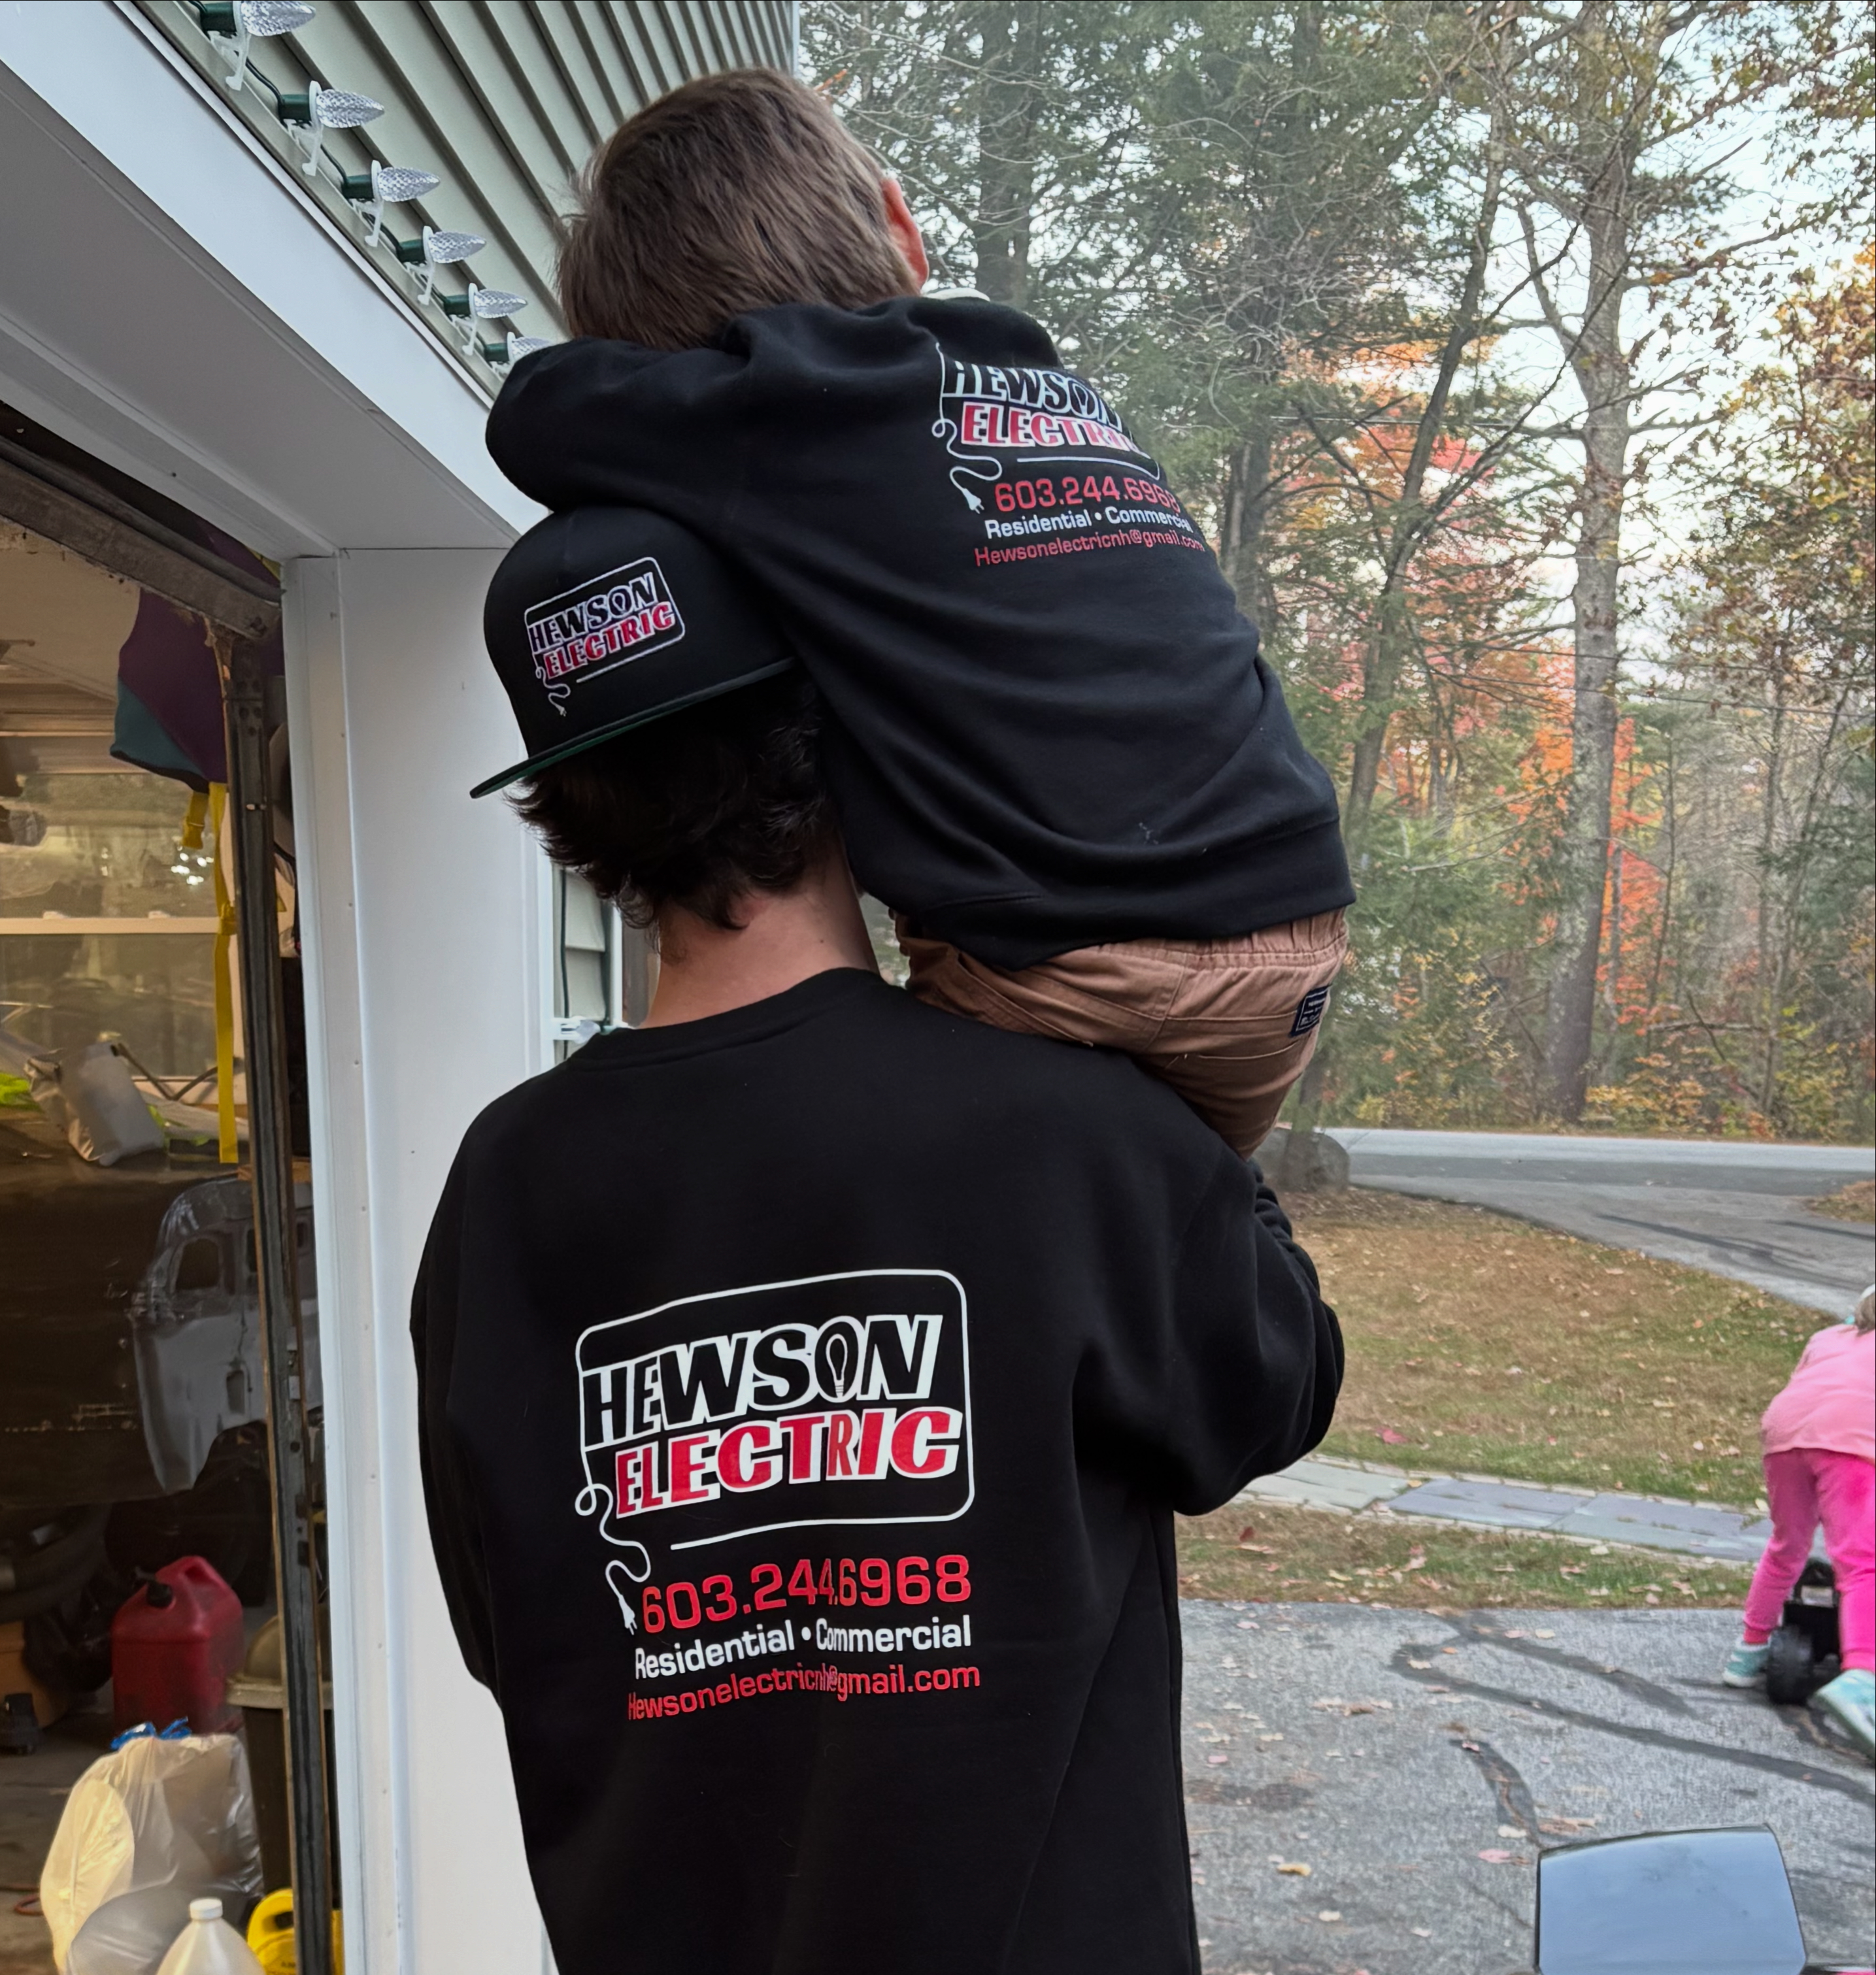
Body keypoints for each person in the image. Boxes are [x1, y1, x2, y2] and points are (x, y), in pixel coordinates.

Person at [413, 506, 1343, 1974]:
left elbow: (505, 1623)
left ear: (568, 815)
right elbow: (1271, 1391)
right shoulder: (1067, 1130)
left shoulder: (504, 1184)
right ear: (846, 742)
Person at [480, 69, 1354, 1159]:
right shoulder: (1042, 384)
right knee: (1160, 1230)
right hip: (1293, 934)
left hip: (1078, 965)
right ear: (902, 224)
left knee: (890, 1179)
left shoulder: (778, 415)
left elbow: (531, 417)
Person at [1722, 1284, 1873, 1757]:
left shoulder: (1827, 1338)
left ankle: (1747, 1653)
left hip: (1786, 1434)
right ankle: (1861, 1678)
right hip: (1850, 1440)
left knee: (1788, 1544)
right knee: (1860, 1562)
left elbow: (1812, 1387)